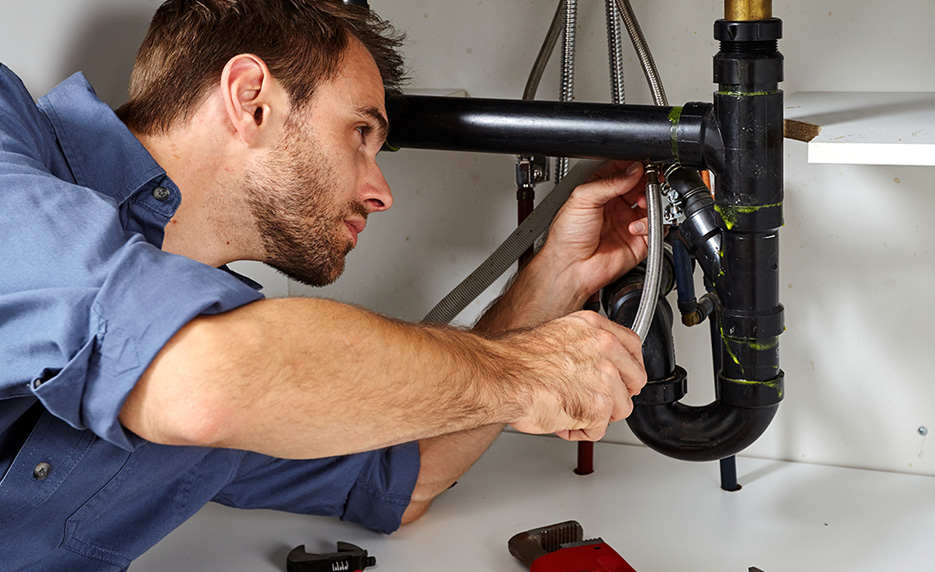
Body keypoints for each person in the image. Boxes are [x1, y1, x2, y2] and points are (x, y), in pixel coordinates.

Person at [0, 0, 650, 569]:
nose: (381, 192)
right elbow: (204, 384)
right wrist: (522, 372)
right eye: (361, 133)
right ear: (251, 98)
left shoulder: (242, 349)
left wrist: (555, 279)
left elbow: (407, 476)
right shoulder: (9, 152)